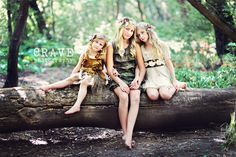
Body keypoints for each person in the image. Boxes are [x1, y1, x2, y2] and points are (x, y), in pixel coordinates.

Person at [40, 33, 108, 114]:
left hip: (96, 77)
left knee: (84, 81)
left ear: (102, 48)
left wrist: (110, 71)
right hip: (85, 74)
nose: (97, 45)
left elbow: (108, 68)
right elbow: (78, 66)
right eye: (96, 42)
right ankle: (49, 87)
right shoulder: (85, 53)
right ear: (92, 41)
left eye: (100, 44)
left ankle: (77, 106)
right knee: (72, 78)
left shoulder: (102, 56)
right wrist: (72, 76)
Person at [106, 17, 146, 149]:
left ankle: (129, 135)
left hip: (133, 77)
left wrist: (138, 80)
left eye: (132, 31)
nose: (129, 32)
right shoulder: (111, 45)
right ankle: (124, 133)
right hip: (117, 78)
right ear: (121, 28)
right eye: (127, 29)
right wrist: (121, 83)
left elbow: (142, 67)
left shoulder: (135, 45)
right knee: (123, 97)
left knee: (135, 98)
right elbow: (110, 69)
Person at [136, 22, 186, 101]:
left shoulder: (162, 45)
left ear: (148, 31)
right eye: (138, 35)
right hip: (151, 79)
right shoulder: (141, 48)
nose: (141, 36)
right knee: (153, 96)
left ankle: (179, 85)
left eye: (142, 33)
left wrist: (174, 80)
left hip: (163, 77)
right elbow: (139, 66)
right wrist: (137, 79)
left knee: (165, 95)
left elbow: (169, 63)